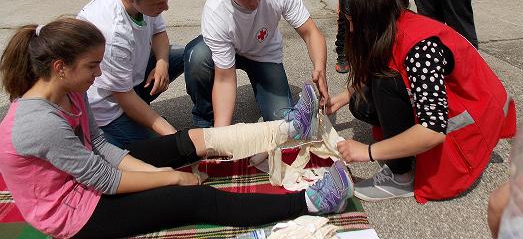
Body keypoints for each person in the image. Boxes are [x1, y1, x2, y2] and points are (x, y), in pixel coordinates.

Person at [0, 18, 353, 239]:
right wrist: (172, 178)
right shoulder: (38, 123)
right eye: (93, 66)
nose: (99, 74)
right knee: (194, 198)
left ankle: (287, 128)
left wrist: (159, 170)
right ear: (60, 67)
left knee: (183, 142)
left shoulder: (70, 91)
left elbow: (102, 149)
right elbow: (102, 179)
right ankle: (311, 201)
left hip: (87, 178)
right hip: (73, 212)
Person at [326, 0, 516, 203]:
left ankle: (401, 177)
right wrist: (345, 96)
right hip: (447, 104)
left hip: (472, 119)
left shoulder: (421, 49)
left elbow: (433, 130)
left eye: (354, 20)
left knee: (387, 83)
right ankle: (403, 148)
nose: (353, 29)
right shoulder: (392, 21)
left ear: (372, 16)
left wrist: (367, 152)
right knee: (362, 103)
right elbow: (383, 64)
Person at [186, 0, 328, 128]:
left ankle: (265, 90)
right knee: (196, 56)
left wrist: (320, 67)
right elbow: (225, 79)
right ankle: (205, 118)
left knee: (283, 125)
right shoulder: (216, 9)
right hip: (227, 51)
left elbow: (311, 32)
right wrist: (221, 136)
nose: (255, 1)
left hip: (264, 53)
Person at [77, 0, 193, 149]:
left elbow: (159, 33)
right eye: (159, 3)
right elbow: (124, 98)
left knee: (189, 54)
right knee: (167, 152)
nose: (165, 8)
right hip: (109, 104)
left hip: (129, 79)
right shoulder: (112, 34)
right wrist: (175, 137)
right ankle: (101, 136)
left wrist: (162, 64)